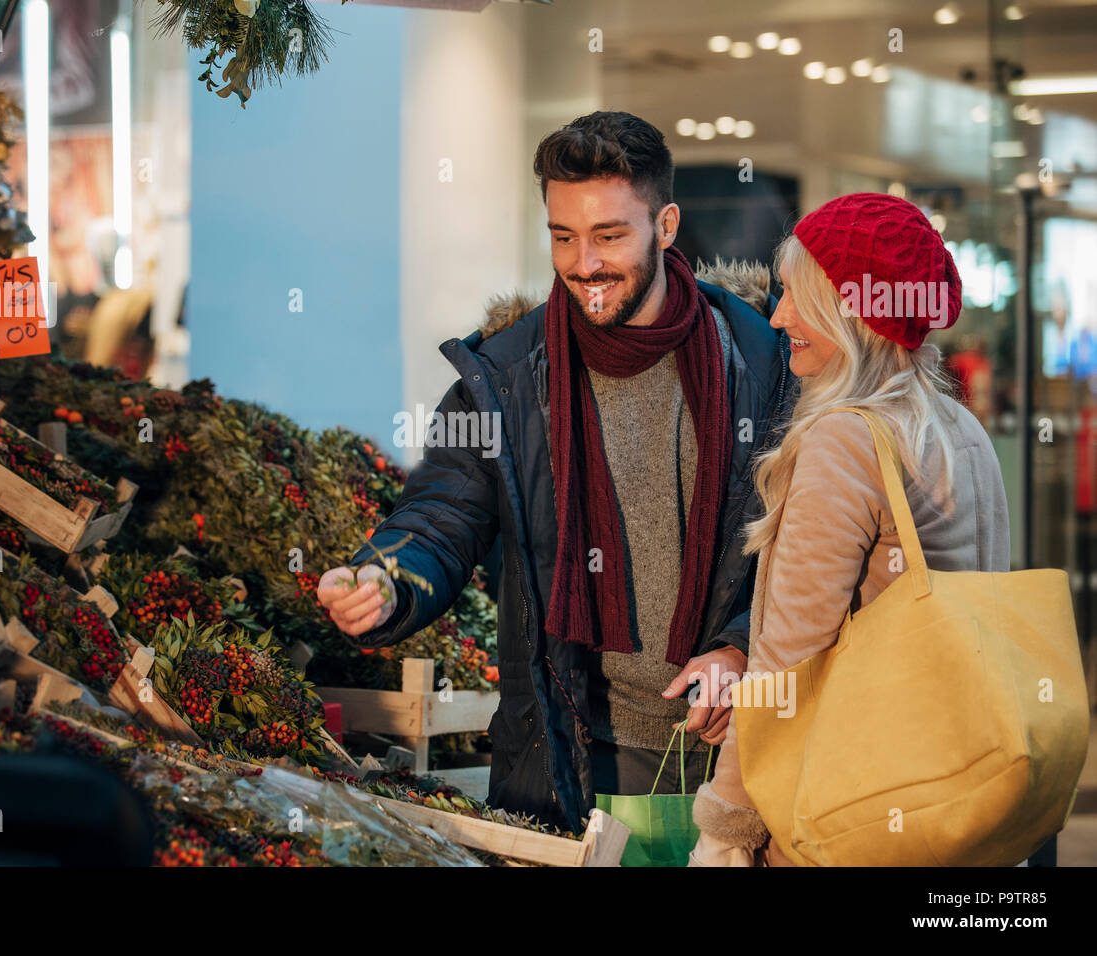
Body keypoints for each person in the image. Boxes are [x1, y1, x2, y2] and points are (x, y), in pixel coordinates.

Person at [316, 110, 794, 831]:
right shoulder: (507, 376)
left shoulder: (760, 361)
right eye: (563, 237)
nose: (584, 264)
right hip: (569, 763)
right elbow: (445, 510)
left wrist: (738, 645)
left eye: (609, 236)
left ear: (665, 227)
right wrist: (388, 577)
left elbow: (804, 543)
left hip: (746, 760)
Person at [688, 192, 1010, 865]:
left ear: (854, 310)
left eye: (797, 297)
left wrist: (726, 826)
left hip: (842, 810)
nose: (779, 318)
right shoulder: (960, 430)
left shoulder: (845, 439)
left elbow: (789, 661)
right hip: (947, 792)